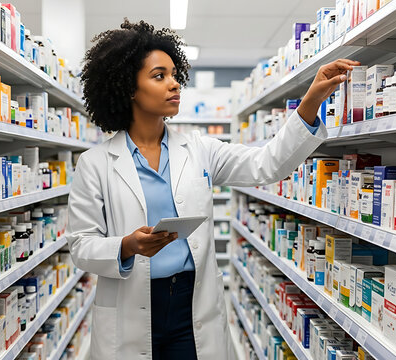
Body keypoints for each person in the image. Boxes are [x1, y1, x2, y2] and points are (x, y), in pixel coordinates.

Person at [66, 19, 359, 360]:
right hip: (130, 306)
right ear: (128, 88)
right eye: (159, 76)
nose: (174, 84)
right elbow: (80, 245)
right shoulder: (96, 162)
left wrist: (309, 102)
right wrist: (127, 246)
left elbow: (266, 165)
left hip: (191, 305)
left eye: (175, 74)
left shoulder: (199, 148)